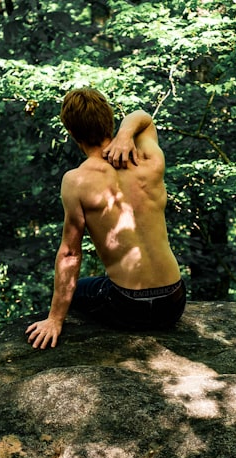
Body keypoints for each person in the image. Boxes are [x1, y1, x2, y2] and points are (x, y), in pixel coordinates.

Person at [25, 88, 186, 349]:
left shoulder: (76, 181)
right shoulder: (149, 159)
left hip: (128, 308)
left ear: (71, 133)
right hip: (174, 302)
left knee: (77, 291)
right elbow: (143, 117)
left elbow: (70, 255)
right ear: (110, 120)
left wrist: (55, 319)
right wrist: (125, 134)